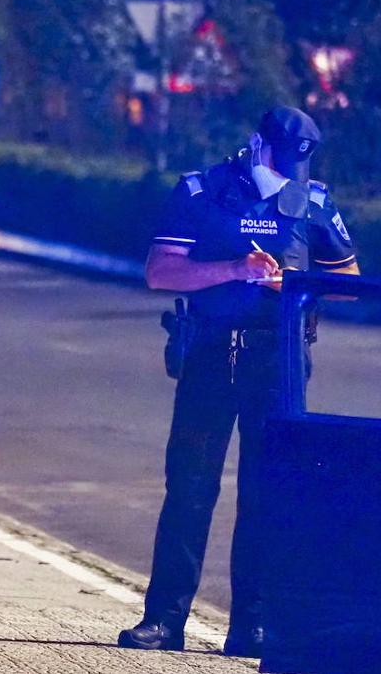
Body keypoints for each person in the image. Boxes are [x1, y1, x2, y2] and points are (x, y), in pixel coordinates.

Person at [119, 106, 360, 658]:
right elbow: (160, 270)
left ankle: (251, 626)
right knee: (189, 488)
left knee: (264, 494)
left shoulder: (313, 200)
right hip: (210, 354)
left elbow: (348, 278)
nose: (286, 177)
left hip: (277, 362)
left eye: (296, 167)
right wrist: (233, 269)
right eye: (279, 162)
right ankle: (164, 620)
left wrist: (296, 283)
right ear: (258, 145)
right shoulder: (202, 190)